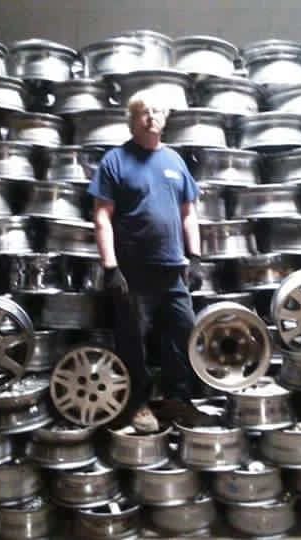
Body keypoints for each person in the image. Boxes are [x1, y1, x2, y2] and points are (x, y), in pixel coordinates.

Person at [88, 89, 209, 433]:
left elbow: (189, 214)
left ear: (165, 119)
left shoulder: (175, 161)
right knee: (133, 341)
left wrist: (196, 257)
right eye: (142, 112)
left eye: (156, 111)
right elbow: (102, 218)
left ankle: (178, 399)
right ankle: (137, 404)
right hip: (132, 272)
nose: (150, 117)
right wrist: (110, 268)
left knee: (183, 334)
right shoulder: (115, 161)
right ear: (132, 120)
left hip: (173, 271)